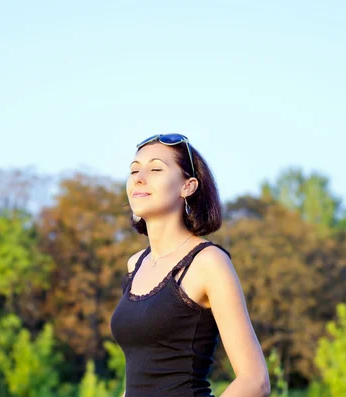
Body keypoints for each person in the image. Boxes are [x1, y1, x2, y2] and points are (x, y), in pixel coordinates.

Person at [110, 134, 270, 397]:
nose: (139, 177)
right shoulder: (135, 265)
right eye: (134, 169)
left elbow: (255, 381)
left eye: (156, 168)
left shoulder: (208, 262)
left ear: (188, 186)